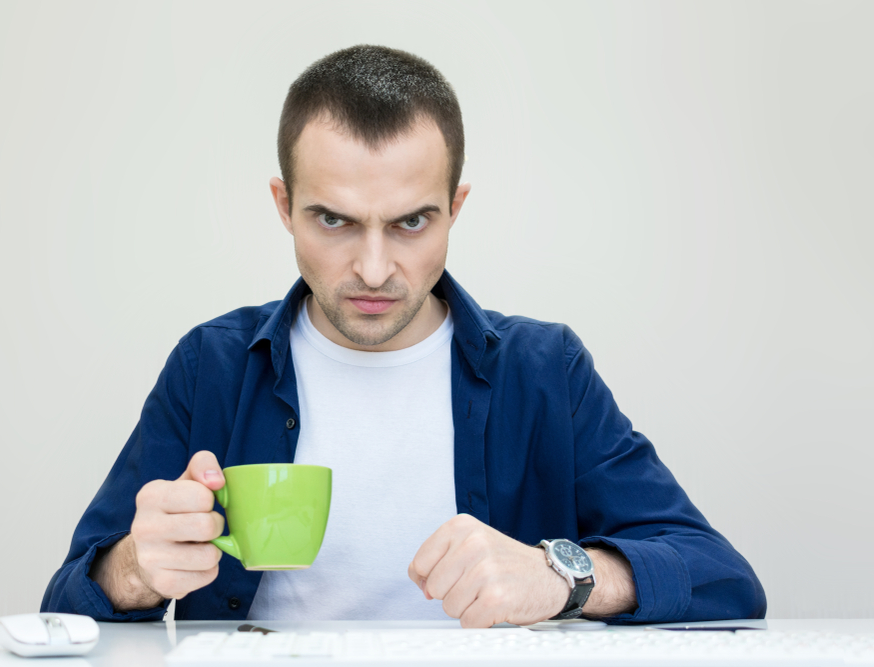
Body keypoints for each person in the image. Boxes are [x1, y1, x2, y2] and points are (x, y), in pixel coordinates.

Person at [41, 45, 765, 627]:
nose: (374, 268)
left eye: (411, 222)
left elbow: (723, 578)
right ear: (284, 205)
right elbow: (66, 598)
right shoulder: (212, 365)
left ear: (455, 207)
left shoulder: (546, 370)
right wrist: (134, 569)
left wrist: (561, 576)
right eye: (334, 219)